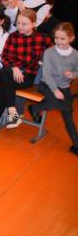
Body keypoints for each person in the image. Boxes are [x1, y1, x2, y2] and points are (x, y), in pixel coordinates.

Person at [0, 9, 52, 135]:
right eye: (18, 23)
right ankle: (12, 111)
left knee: (4, 81)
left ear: (34, 23)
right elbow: (5, 56)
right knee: (5, 73)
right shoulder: (13, 36)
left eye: (24, 24)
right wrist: (14, 67)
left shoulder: (43, 39)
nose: (20, 26)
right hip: (11, 73)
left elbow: (55, 54)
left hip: (27, 76)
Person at [28, 23, 78, 156]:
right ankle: (34, 108)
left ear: (71, 38)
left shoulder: (75, 54)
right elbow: (46, 74)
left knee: (68, 114)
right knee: (54, 101)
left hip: (64, 87)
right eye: (56, 38)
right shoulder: (49, 52)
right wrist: (55, 90)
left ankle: (76, 144)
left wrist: (72, 75)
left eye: (62, 39)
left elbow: (77, 70)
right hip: (46, 84)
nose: (58, 41)